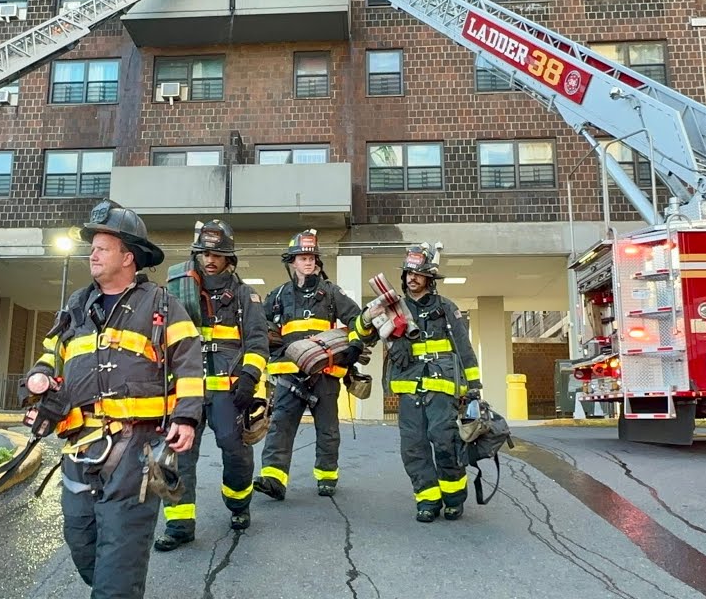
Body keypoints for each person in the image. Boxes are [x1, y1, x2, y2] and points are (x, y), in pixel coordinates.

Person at [19, 200, 203, 599]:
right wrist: (38, 377)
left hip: (136, 449)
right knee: (81, 540)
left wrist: (186, 417)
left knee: (119, 559)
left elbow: (189, 363)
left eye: (103, 247)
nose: (93, 254)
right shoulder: (76, 305)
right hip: (79, 446)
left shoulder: (161, 304)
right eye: (93, 247)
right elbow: (52, 353)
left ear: (128, 257)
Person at [155, 219, 270, 551]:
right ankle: (178, 524)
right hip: (185, 390)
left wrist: (249, 377)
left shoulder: (245, 295)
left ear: (228, 259)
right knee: (176, 455)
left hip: (229, 392)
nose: (210, 259)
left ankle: (238, 505)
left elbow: (258, 342)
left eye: (217, 254)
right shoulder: (175, 291)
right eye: (204, 253)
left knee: (236, 453)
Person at [253, 229, 376, 500]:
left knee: (328, 428)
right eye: (302, 257)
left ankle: (326, 476)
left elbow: (358, 320)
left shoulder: (332, 293)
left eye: (312, 257)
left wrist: (355, 345)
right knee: (281, 426)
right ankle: (274, 478)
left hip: (325, 373)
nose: (308, 262)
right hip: (288, 373)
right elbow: (259, 327)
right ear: (292, 262)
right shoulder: (278, 295)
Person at [384, 242, 481, 523]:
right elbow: (371, 330)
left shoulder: (446, 309)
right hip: (409, 389)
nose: (411, 278)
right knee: (413, 447)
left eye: (417, 274)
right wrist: (393, 342)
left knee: (445, 442)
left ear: (429, 278)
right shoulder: (396, 310)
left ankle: (453, 498)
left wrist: (473, 388)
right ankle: (427, 500)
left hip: (442, 388)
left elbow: (464, 350)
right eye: (408, 274)